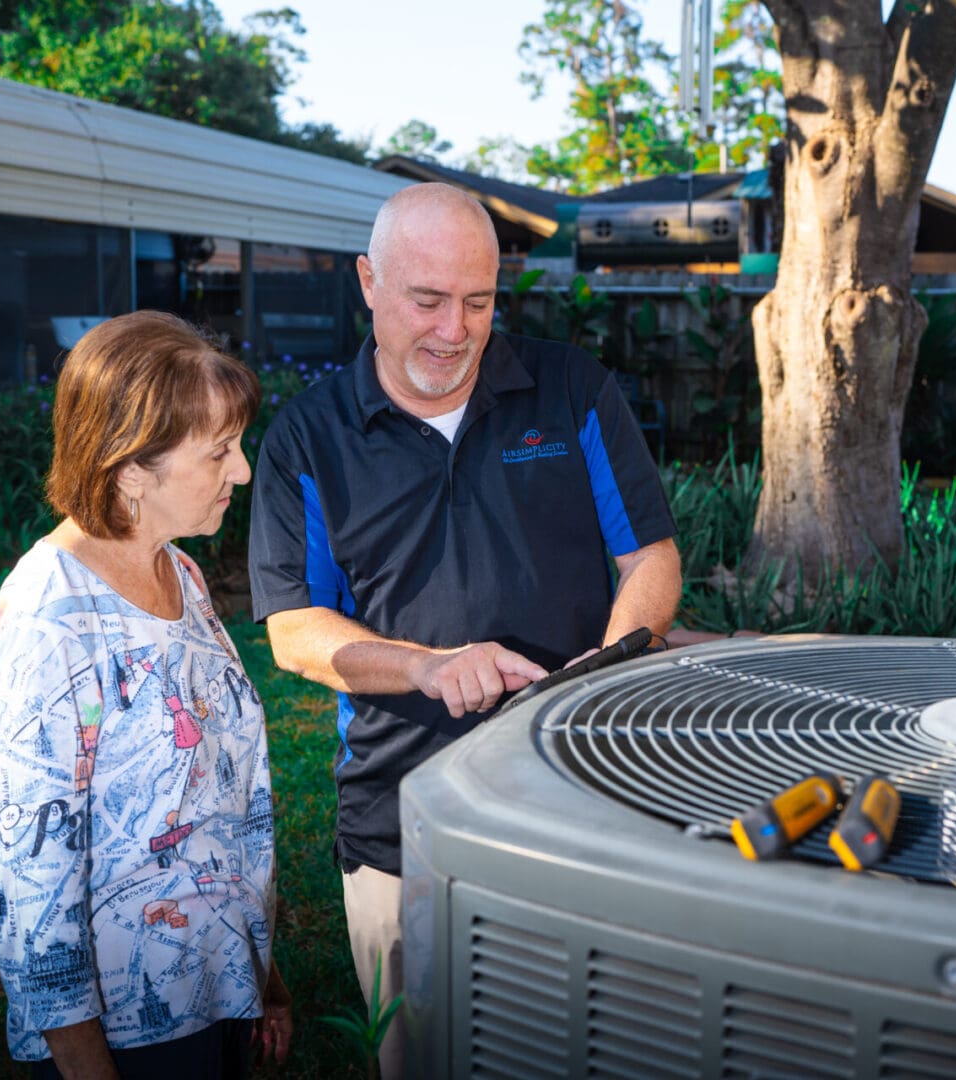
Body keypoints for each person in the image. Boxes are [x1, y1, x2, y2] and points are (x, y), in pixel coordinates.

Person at [248, 183, 681, 1077]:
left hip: (579, 791)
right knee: (422, 1055)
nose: (455, 329)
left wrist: (616, 655)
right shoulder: (308, 437)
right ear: (368, 283)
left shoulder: (570, 389)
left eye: (479, 302)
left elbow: (650, 558)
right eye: (427, 300)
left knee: (586, 1046)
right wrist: (426, 666)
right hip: (399, 816)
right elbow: (293, 629)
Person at [0, 311, 292, 1078]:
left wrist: (264, 976)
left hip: (215, 989)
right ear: (129, 469)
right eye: (219, 452)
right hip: (129, 1037)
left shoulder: (179, 574)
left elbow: (220, 797)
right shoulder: (50, 615)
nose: (243, 471)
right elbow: (32, 882)